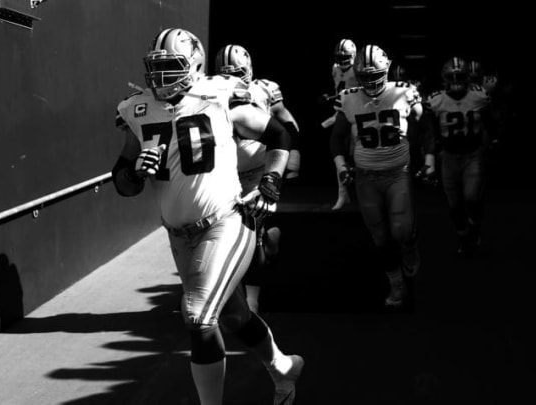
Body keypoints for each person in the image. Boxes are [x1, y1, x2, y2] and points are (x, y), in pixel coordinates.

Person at [112, 28, 304, 405]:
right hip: (179, 234)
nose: (161, 77)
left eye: (172, 67)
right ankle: (282, 366)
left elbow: (280, 135)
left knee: (198, 316)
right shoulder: (137, 108)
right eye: (157, 67)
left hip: (226, 220)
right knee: (233, 317)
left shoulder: (220, 95)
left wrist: (270, 182)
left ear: (196, 64)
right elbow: (122, 182)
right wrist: (135, 171)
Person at [330, 44, 432, 309]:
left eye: (374, 75)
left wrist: (428, 157)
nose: (370, 82)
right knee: (380, 236)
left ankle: (410, 243)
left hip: (398, 173)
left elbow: (425, 125)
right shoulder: (349, 97)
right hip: (366, 177)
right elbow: (337, 138)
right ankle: (395, 283)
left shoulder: (404, 92)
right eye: (364, 76)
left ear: (386, 69)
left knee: (400, 231)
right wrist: (341, 165)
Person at [214, 43, 302, 313]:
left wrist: (294, 152)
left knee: (252, 232)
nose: (233, 78)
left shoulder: (264, 88)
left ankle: (251, 298)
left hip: (256, 170)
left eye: (238, 72)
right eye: (226, 72)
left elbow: (284, 118)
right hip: (222, 172)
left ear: (249, 70)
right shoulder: (211, 91)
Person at [423, 56, 493, 257]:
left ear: (467, 77)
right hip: (450, 156)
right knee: (454, 204)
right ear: (444, 79)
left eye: (460, 76)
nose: (455, 81)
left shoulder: (479, 96)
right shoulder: (436, 100)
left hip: (472, 154)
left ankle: (474, 226)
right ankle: (464, 237)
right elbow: (431, 131)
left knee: (471, 197)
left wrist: (486, 146)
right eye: (451, 77)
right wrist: (432, 152)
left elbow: (489, 124)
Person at [323, 39, 360, 211]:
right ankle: (342, 193)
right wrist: (332, 97)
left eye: (345, 56)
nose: (342, 59)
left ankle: (361, 193)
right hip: (341, 111)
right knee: (338, 152)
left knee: (357, 152)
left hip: (358, 113)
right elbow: (339, 90)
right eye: (339, 56)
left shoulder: (358, 68)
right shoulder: (335, 68)